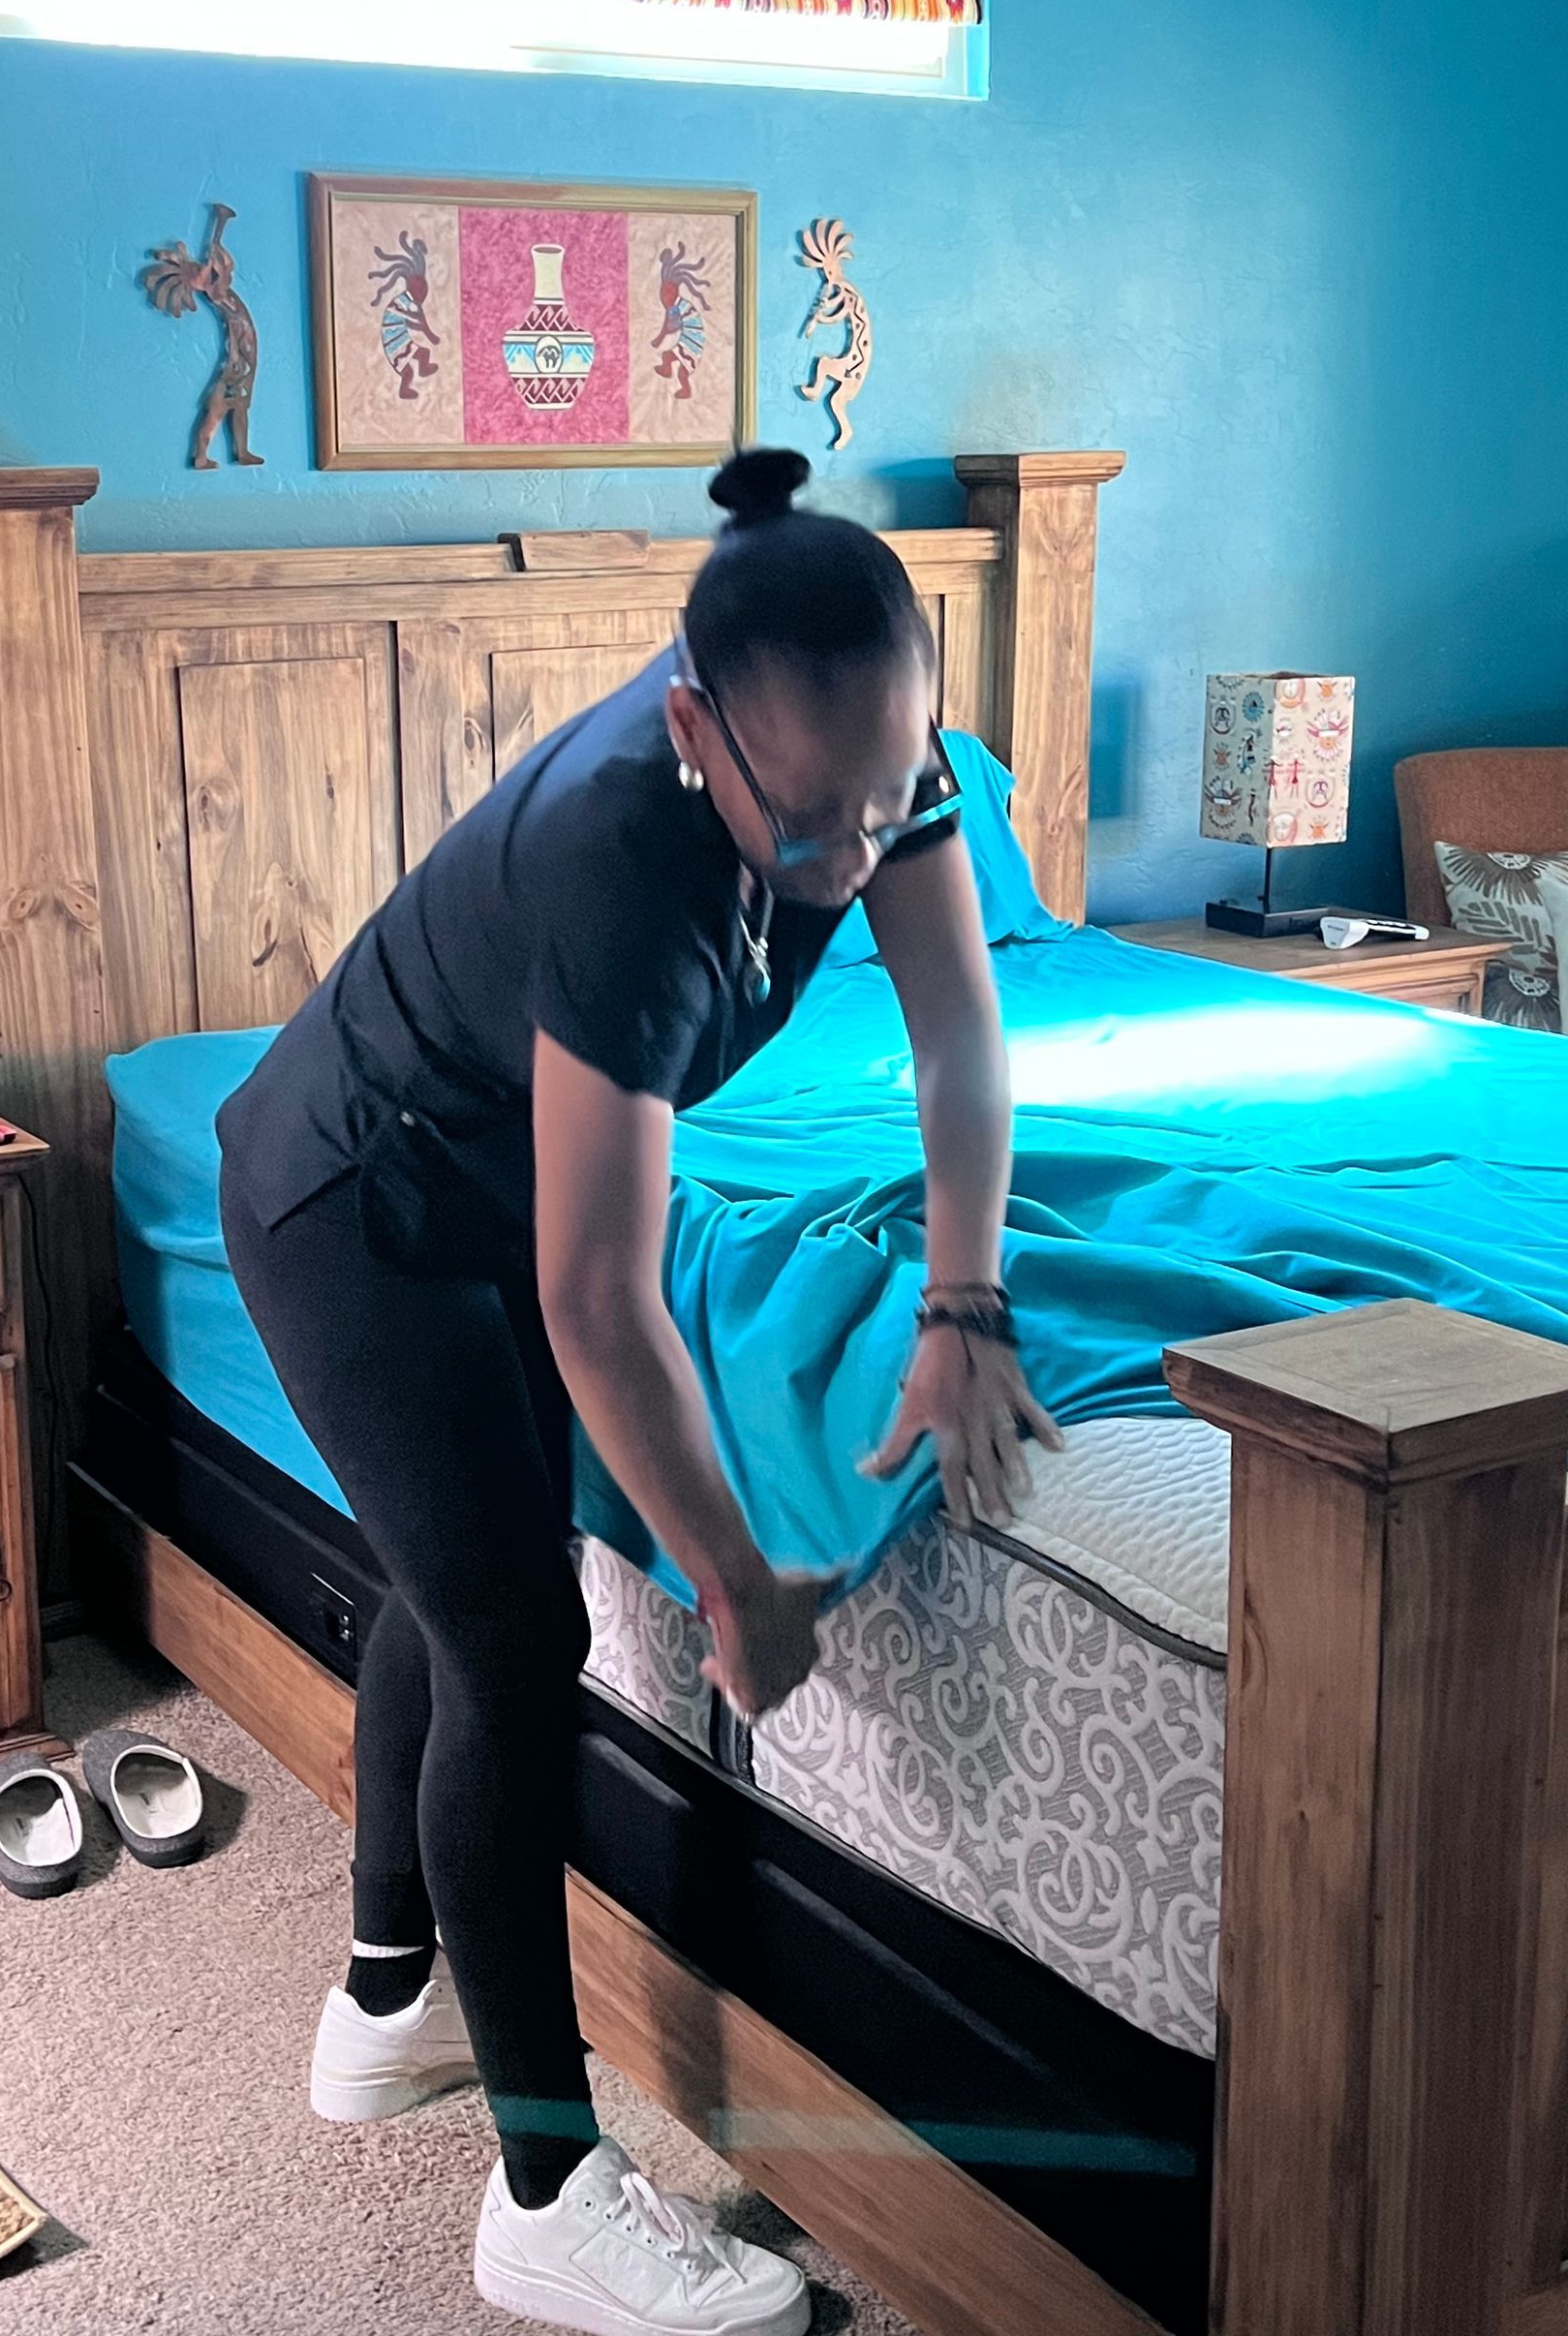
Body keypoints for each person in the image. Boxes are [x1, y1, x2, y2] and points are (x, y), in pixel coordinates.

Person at [216, 446, 1060, 2336]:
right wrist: (735, 1579)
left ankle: (384, 2003)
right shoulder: (628, 859)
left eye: (893, 800)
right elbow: (600, 1300)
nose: (861, 858)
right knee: (513, 1630)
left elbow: (959, 1046)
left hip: (491, 1173)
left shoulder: (865, 758)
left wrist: (965, 1296)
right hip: (348, 1198)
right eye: (816, 828)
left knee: (470, 1575)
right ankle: (540, 2188)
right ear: (697, 726)